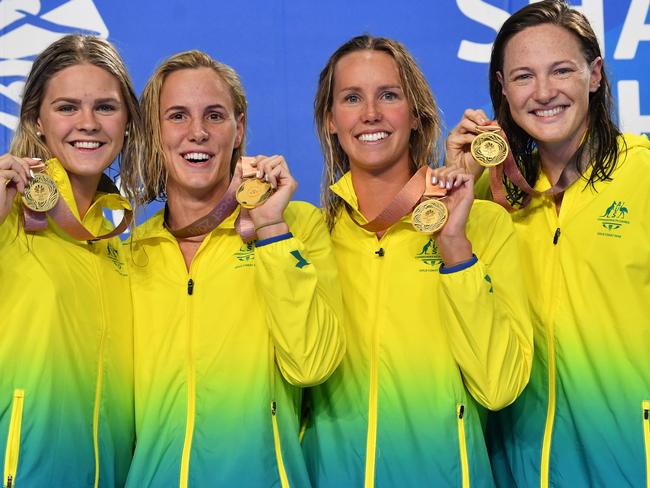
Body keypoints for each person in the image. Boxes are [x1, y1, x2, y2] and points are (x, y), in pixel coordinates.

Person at [301, 34, 533, 487]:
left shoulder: (483, 226)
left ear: (416, 114)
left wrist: (454, 249)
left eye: (389, 95)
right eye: (352, 98)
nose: (371, 113)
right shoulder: (313, 234)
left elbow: (499, 385)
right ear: (330, 120)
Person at [444, 1, 650, 486]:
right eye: (522, 77)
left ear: (595, 75)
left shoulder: (643, 175)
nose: (543, 93)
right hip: (520, 465)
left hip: (630, 461)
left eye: (561, 70)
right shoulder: (487, 197)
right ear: (502, 88)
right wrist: (457, 179)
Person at [122, 51, 345, 487]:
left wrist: (271, 230)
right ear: (154, 130)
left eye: (215, 115)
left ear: (238, 128)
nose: (198, 133)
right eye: (177, 116)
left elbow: (312, 365)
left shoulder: (296, 226)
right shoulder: (133, 253)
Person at [0, 35, 142, 487]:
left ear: (127, 123)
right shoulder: (8, 211)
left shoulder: (120, 240)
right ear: (36, 121)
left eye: (105, 107)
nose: (88, 123)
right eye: (66, 108)